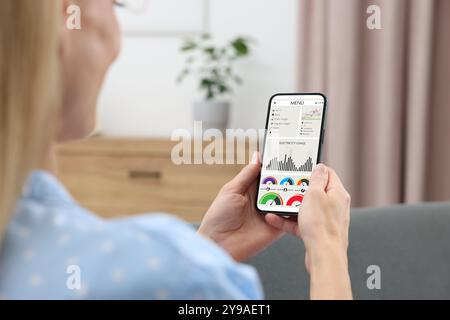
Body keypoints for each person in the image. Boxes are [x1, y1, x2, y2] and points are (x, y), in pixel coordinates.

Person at [0, 0, 352, 300]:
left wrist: (207, 248)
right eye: (114, 4)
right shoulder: (176, 272)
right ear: (66, 21)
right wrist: (327, 251)